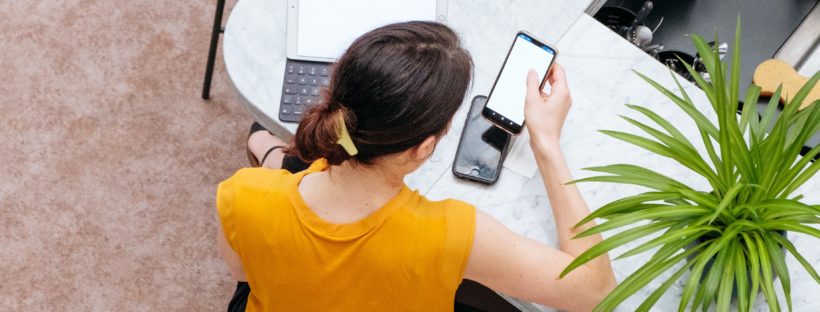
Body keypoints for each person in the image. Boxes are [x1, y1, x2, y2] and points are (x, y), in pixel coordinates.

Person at [216, 21, 615, 312]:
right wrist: (546, 143)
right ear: (424, 147)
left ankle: (269, 152)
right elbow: (593, 292)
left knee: (292, 163)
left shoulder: (241, 194)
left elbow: (242, 275)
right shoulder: (451, 234)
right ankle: (273, 151)